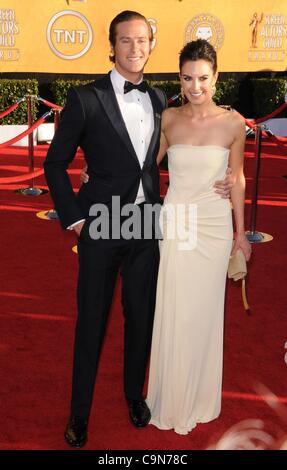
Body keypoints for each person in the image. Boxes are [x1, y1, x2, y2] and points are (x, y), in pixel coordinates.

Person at [44, 10, 233, 448]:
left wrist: (221, 173)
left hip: (148, 225)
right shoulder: (85, 98)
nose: (135, 49)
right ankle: (79, 414)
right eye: (125, 41)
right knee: (91, 320)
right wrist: (74, 217)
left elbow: (174, 151)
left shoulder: (161, 99)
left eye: (142, 41)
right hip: (100, 225)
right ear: (112, 46)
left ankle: (135, 396)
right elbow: (55, 163)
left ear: (151, 45)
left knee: (141, 319)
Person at [146, 39, 251, 435]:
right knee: (175, 308)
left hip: (213, 226)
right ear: (179, 77)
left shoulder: (233, 122)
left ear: (216, 77)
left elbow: (237, 178)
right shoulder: (168, 119)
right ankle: (171, 396)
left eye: (203, 78)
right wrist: (97, 176)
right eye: (188, 78)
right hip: (177, 222)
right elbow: (142, 166)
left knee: (204, 313)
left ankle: (199, 396)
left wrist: (241, 234)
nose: (195, 87)